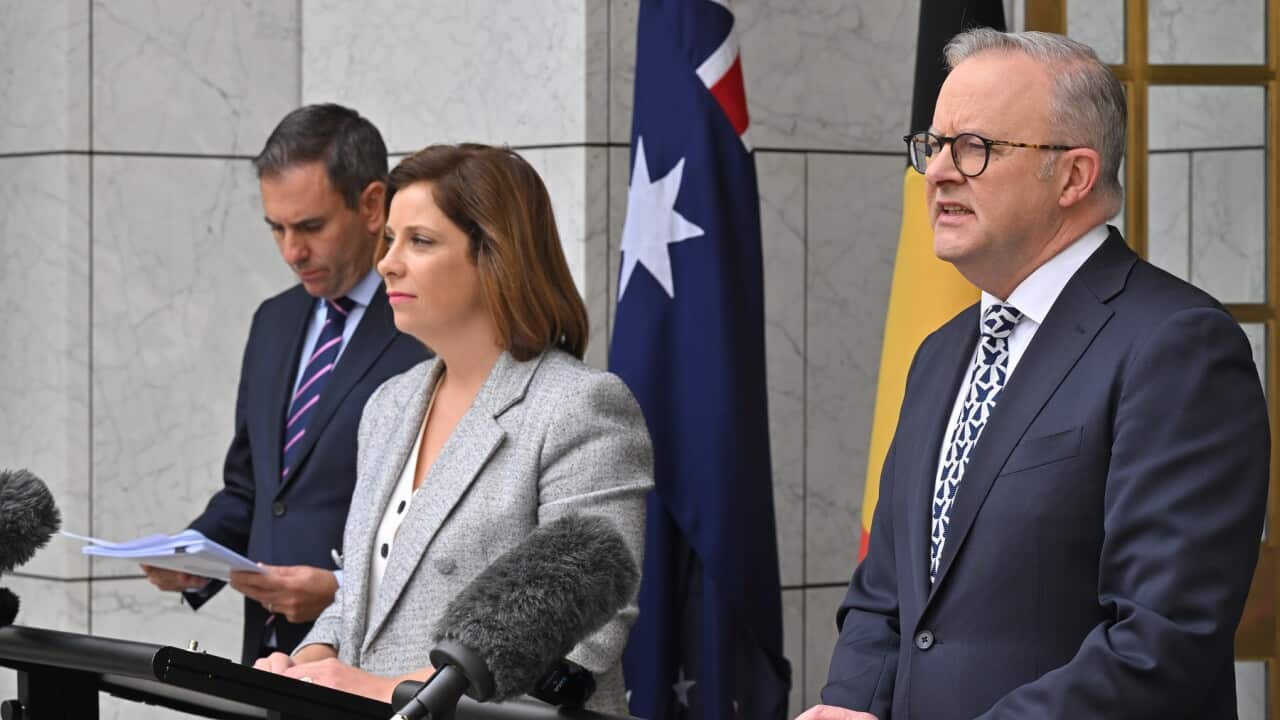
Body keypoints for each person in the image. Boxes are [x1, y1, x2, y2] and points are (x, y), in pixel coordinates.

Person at [800, 29, 1269, 720]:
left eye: (975, 148)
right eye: (934, 146)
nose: (937, 173)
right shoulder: (939, 352)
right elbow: (886, 593)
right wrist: (853, 705)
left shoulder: (1179, 347)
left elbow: (1160, 640)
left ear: (1074, 176)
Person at [251, 143, 653, 715]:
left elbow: (587, 634)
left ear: (495, 255)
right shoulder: (390, 404)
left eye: (419, 241)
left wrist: (384, 690)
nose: (387, 262)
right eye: (388, 239)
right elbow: (361, 595)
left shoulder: (580, 406)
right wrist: (304, 665)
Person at [141, 104, 430, 664]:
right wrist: (194, 558)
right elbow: (254, 492)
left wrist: (341, 591)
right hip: (268, 661)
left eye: (311, 227)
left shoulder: (424, 327)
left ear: (373, 205)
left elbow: (446, 525)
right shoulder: (273, 322)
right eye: (277, 228)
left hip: (373, 663)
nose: (292, 252)